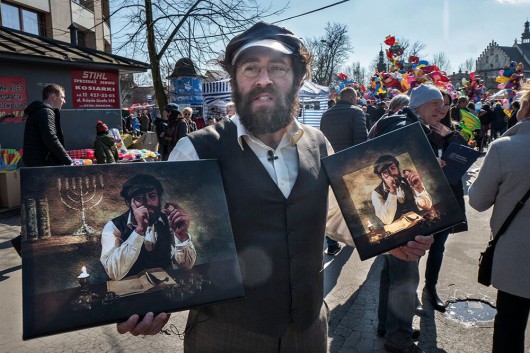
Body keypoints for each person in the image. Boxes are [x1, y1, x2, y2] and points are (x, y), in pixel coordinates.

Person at [116, 22, 433, 353]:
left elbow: (335, 216)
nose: (263, 79)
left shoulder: (319, 145)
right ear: (235, 79)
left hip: (309, 330)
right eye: (251, 68)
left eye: (278, 68)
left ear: (297, 78)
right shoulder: (196, 150)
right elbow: (161, 237)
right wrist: (149, 303)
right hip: (226, 335)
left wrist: (387, 240)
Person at [371, 84, 456, 353]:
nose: (441, 109)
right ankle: (399, 339)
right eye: (435, 104)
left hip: (401, 220)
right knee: (405, 280)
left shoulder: (403, 122)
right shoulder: (408, 126)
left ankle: (388, 326)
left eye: (443, 105)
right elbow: (397, 163)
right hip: (404, 223)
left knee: (391, 274)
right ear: (418, 105)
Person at [468, 85, 530, 353]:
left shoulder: (505, 148)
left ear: (525, 108)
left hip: (518, 260)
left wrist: (472, 180)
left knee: (510, 329)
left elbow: (478, 201)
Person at [100, 174, 196, 281]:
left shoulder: (169, 221)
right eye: (139, 198)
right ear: (128, 202)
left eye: (152, 196)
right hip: (130, 292)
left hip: (166, 288)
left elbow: (186, 266)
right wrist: (139, 231)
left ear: (159, 198)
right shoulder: (113, 227)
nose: (148, 203)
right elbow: (114, 273)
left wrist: (182, 236)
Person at [320, 86, 368, 255]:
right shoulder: (357, 112)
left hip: (330, 165)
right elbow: (362, 142)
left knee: (332, 205)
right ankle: (353, 238)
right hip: (349, 166)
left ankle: (332, 242)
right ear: (353, 99)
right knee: (352, 205)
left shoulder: (326, 115)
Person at [371, 155, 432, 226]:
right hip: (398, 231)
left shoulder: (409, 181)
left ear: (397, 168)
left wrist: (419, 189)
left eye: (393, 168)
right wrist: (392, 191)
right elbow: (387, 220)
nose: (392, 173)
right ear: (380, 176)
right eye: (385, 172)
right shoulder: (376, 193)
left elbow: (427, 206)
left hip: (419, 223)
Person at [22, 83, 73, 167]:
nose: (64, 101)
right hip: (43, 165)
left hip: (37, 164)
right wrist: (68, 161)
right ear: (53, 96)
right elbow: (50, 138)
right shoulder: (46, 112)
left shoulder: (39, 111)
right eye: (62, 97)